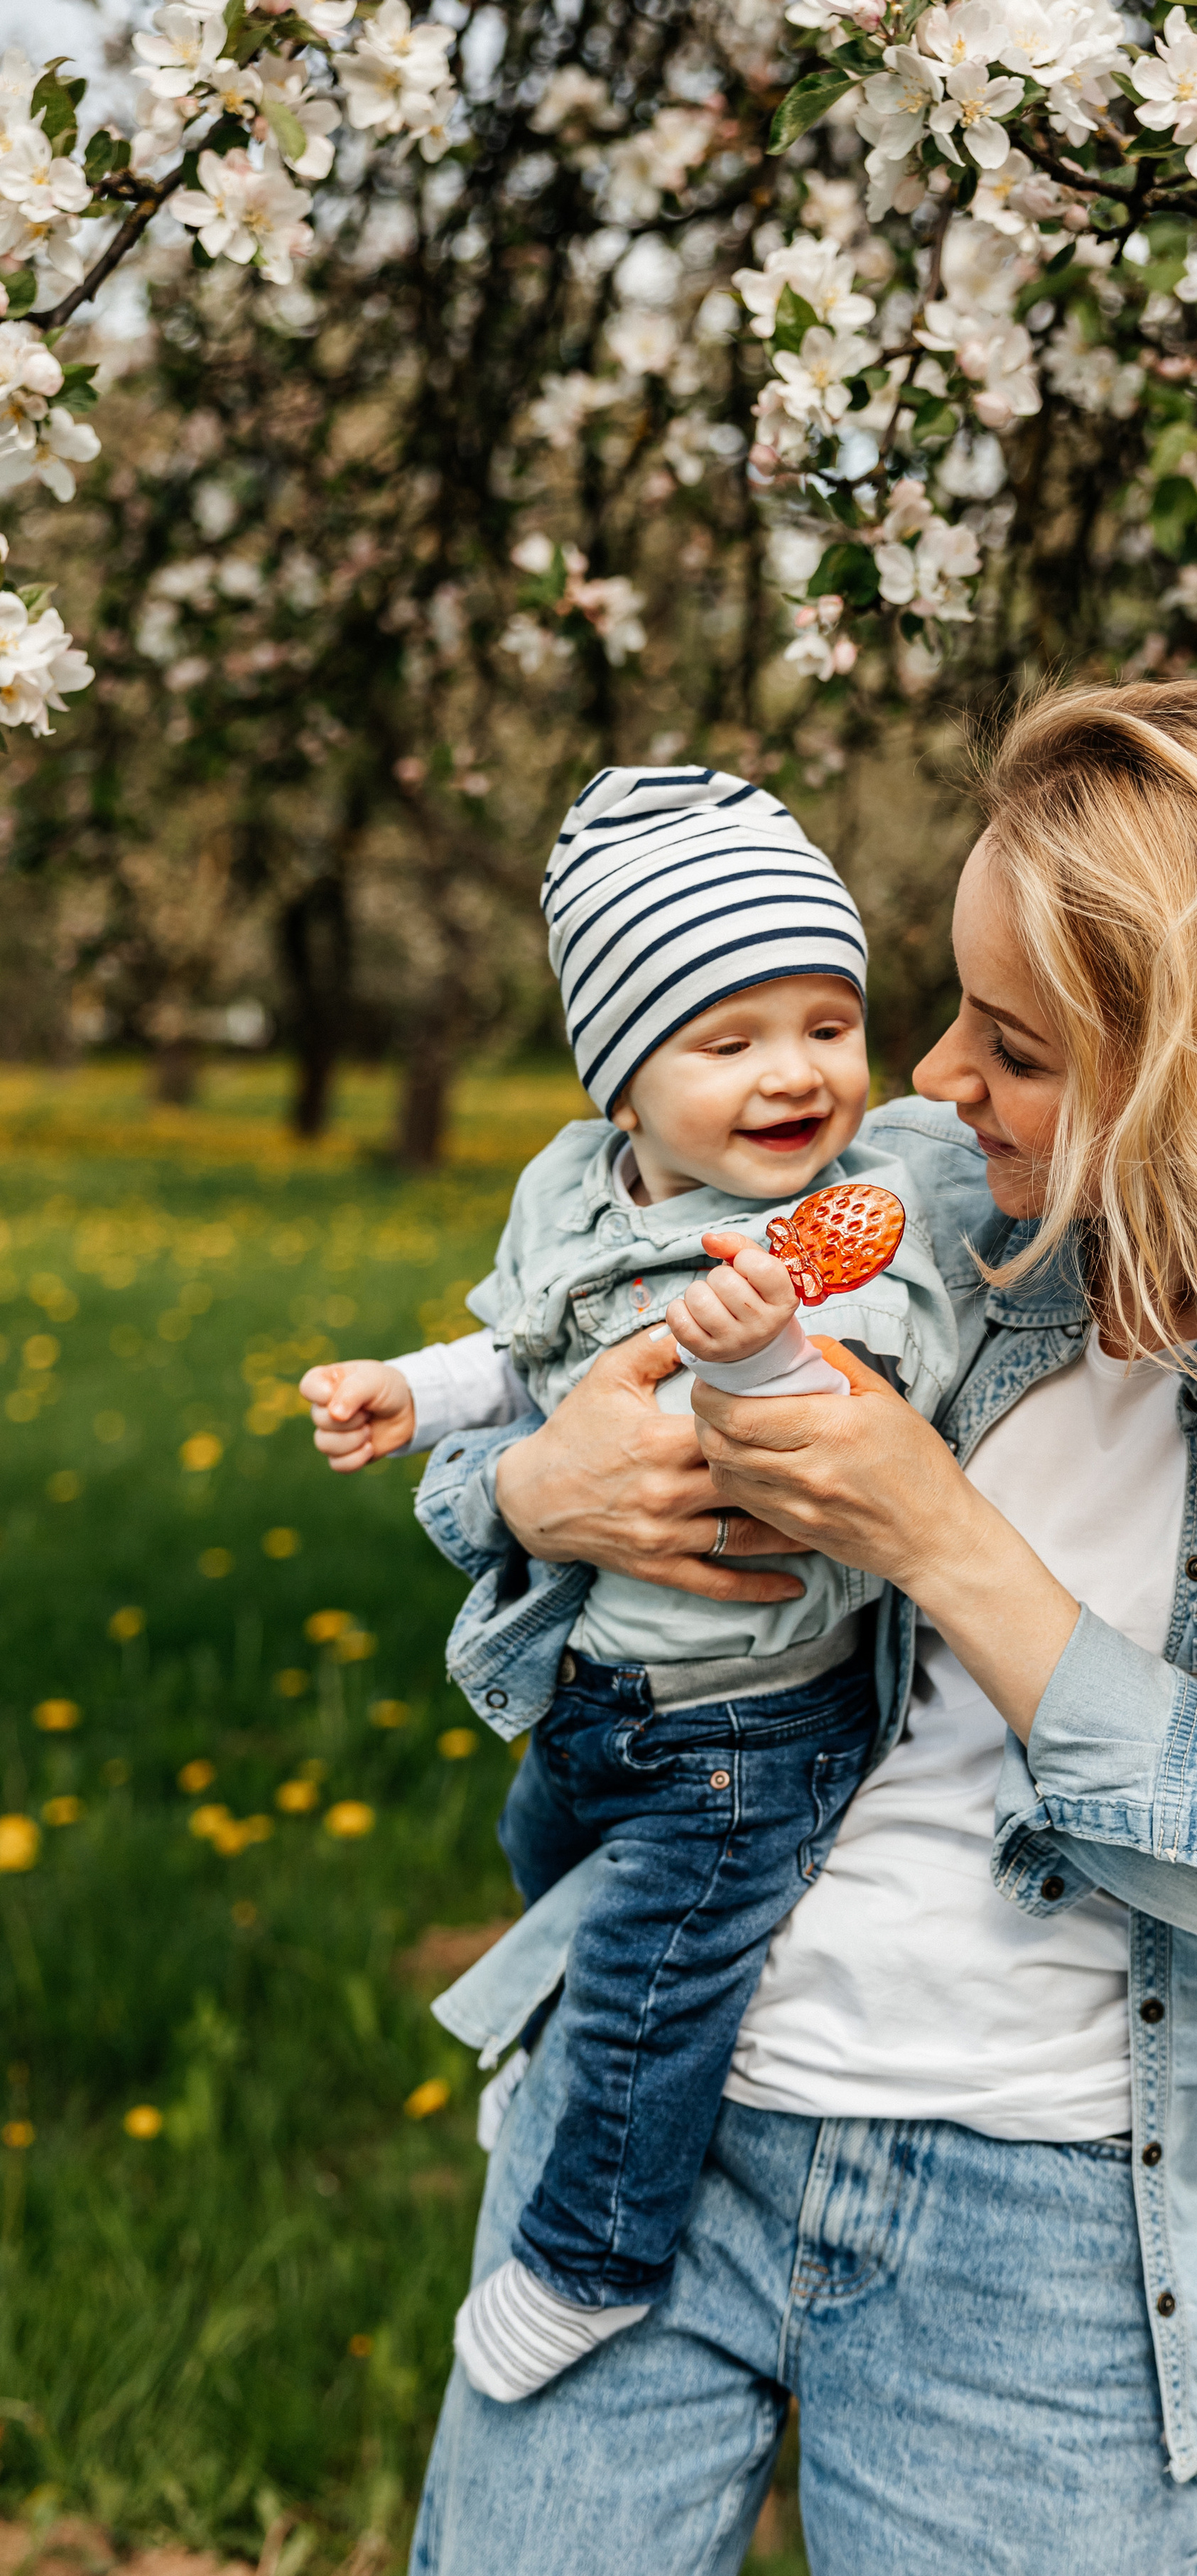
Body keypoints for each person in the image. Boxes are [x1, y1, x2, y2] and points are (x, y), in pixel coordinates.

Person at [399, 683, 1197, 2576]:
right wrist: (521, 1494)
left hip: (1044, 2237)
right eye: (951, 1009)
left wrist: (941, 1533)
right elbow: (560, 1378)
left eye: (1018, 1047)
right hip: (660, 2112)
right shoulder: (917, 1208)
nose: (930, 1078)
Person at [298, 767, 959, 2404]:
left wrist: (766, 1350)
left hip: (748, 1723)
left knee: (658, 1993)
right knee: (545, 1863)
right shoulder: (573, 1190)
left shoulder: (843, 1225)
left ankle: (592, 2259)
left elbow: (859, 1418)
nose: (794, 1071)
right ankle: (550, 2052)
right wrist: (414, 1396)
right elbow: (524, 1343)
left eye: (826, 1023)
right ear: (621, 1083)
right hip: (597, 1689)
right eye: (727, 1042)